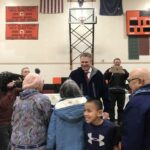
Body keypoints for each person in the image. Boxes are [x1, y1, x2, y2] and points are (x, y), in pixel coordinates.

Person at [9, 73, 51, 150]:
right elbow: (49, 121)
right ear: (38, 84)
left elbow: (13, 121)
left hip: (16, 145)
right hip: (36, 146)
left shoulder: (17, 100)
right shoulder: (42, 99)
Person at [46, 79, 87, 150]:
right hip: (82, 145)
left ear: (62, 92)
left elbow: (52, 132)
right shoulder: (87, 107)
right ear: (78, 90)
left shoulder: (57, 109)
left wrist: (49, 147)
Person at [122, 68, 150, 150]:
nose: (128, 84)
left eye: (129, 81)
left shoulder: (136, 103)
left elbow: (132, 136)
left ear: (140, 82)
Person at [0, 72, 22, 150]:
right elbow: (4, 105)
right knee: (5, 146)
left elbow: (25, 90)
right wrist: (9, 91)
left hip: (11, 123)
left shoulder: (13, 89)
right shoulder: (5, 91)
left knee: (12, 145)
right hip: (2, 125)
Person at [104, 58, 129, 124]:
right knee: (111, 107)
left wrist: (125, 73)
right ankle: (112, 121)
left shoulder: (124, 70)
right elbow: (104, 77)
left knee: (120, 107)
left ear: (120, 63)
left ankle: (120, 121)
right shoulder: (109, 70)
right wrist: (109, 71)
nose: (117, 63)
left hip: (121, 91)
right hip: (111, 91)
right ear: (113, 62)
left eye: (118, 62)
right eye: (116, 62)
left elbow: (128, 77)